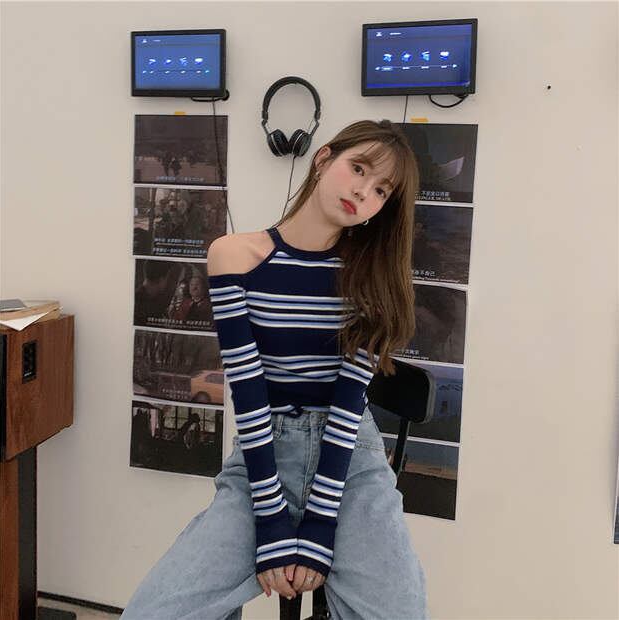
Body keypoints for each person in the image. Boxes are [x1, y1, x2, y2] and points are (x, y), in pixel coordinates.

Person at [121, 119, 428, 619]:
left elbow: (350, 401)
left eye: (381, 190)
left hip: (350, 459)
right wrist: (271, 523)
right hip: (263, 453)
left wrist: (320, 525)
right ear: (323, 158)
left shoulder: (372, 274)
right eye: (358, 169)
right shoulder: (234, 256)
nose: (363, 191)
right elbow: (248, 391)